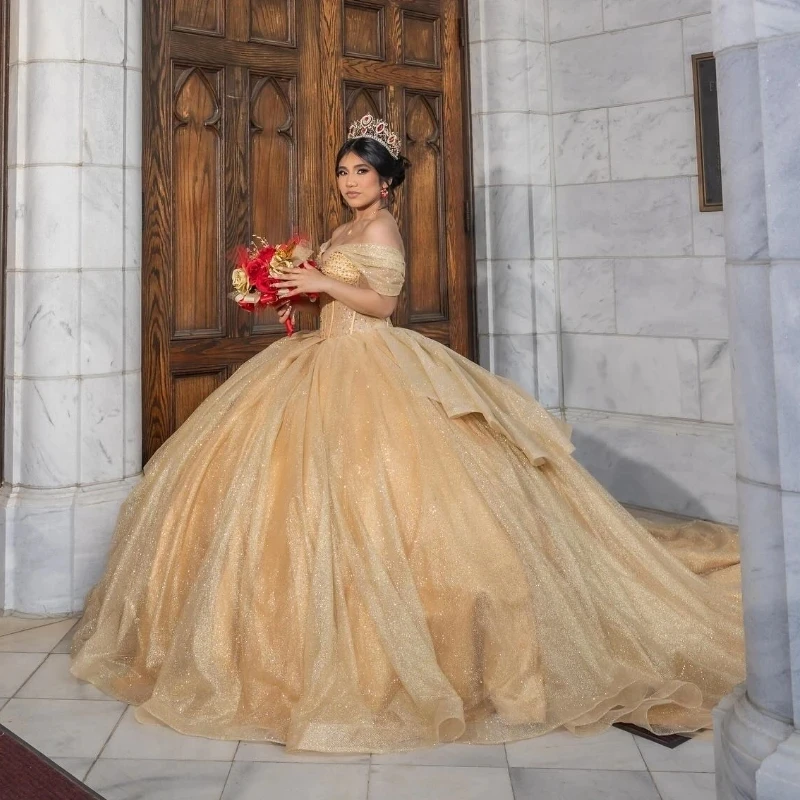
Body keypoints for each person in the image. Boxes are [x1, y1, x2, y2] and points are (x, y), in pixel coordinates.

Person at [70, 114, 743, 754]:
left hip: (370, 363)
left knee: (392, 498)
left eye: (362, 172)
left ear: (386, 180)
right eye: (344, 171)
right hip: (322, 358)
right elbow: (335, 292)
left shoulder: (383, 228)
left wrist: (320, 280)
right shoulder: (344, 228)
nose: (350, 181)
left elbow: (383, 304)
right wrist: (291, 287)